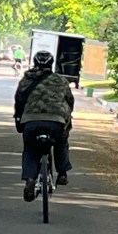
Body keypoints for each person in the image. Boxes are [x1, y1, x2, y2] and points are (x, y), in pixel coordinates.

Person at [13, 50, 74, 202]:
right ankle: (62, 173)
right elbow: (70, 100)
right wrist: (66, 115)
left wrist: (19, 121)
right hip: (55, 122)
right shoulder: (60, 80)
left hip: (31, 122)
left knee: (30, 150)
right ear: (52, 63)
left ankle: (29, 179)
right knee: (61, 141)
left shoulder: (26, 80)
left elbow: (19, 102)